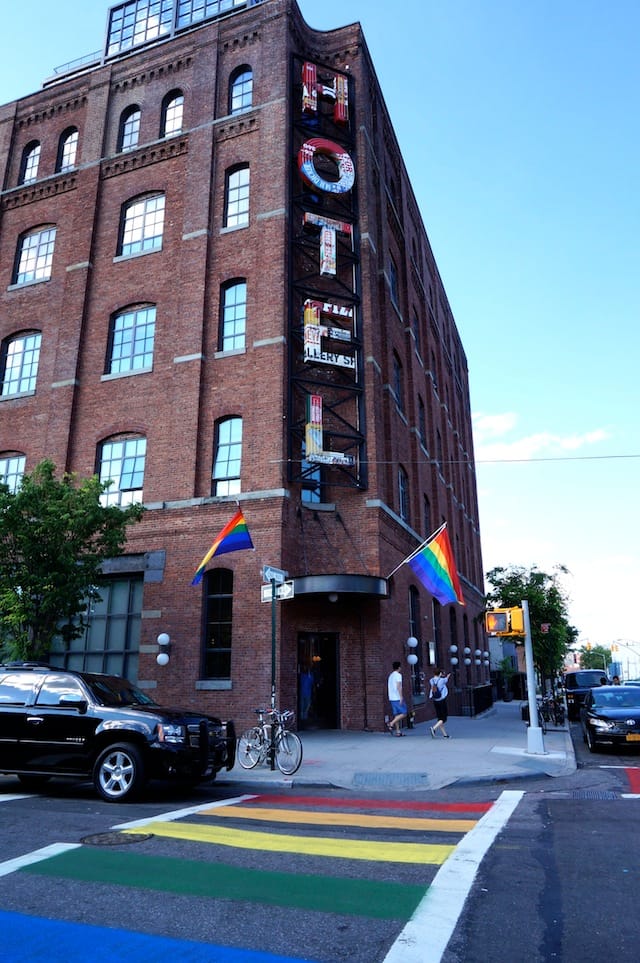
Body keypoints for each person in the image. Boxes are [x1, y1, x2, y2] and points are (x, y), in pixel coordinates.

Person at [429, 667, 451, 738]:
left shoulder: (431, 680)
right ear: (440, 673)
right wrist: (447, 675)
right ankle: (434, 728)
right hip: (442, 700)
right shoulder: (442, 680)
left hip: (435, 700)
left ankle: (445, 734)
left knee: (440, 718)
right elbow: (446, 679)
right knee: (444, 718)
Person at [387, 661, 407, 736]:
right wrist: (401, 697)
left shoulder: (391, 675)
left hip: (391, 697)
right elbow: (399, 686)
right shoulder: (398, 675)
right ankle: (391, 723)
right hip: (397, 697)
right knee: (404, 713)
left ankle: (398, 731)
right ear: (399, 667)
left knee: (397, 714)